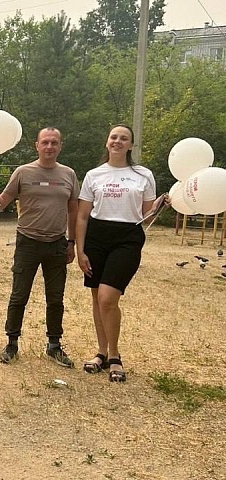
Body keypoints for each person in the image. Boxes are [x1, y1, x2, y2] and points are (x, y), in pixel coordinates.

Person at [0, 127, 79, 367]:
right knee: (19, 295)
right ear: (37, 146)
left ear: (60, 146)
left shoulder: (69, 174)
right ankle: (12, 343)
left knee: (55, 298)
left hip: (57, 243)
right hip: (27, 242)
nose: (49, 146)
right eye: (45, 142)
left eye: (54, 142)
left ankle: (54, 344)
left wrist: (72, 242)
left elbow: (74, 210)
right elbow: (1, 204)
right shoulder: (22, 172)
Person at [76, 124, 162, 383]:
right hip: (97, 236)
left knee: (108, 298)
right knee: (97, 298)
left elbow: (148, 215)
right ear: (107, 142)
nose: (118, 141)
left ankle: (115, 356)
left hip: (127, 238)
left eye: (124, 138)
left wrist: (161, 206)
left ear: (131, 145)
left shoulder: (143, 175)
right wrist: (80, 251)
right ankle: (101, 353)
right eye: (114, 137)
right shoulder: (94, 175)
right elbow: (81, 217)